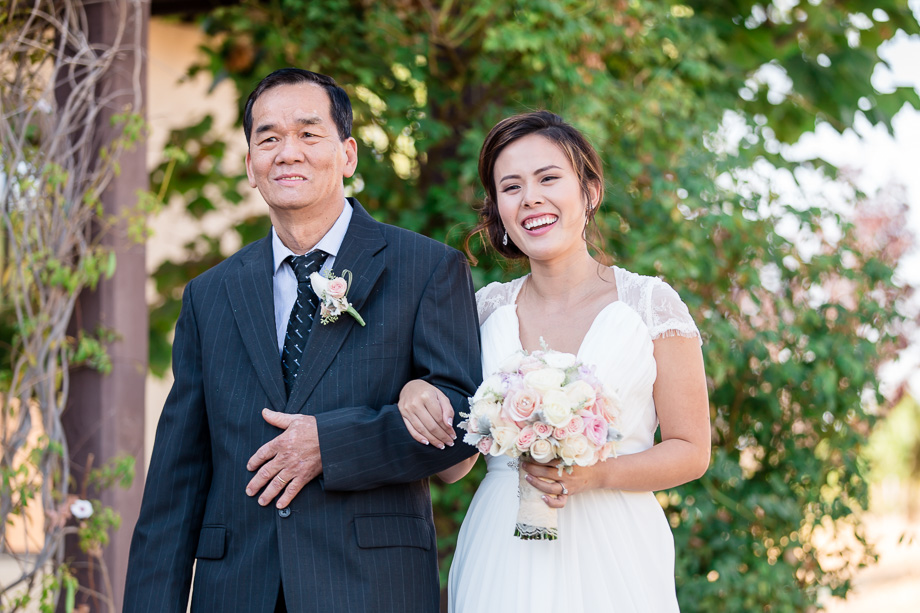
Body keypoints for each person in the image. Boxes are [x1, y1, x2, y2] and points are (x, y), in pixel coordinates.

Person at [123, 68, 481, 613]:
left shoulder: (425, 269)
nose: (287, 152)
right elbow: (177, 478)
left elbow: (462, 426)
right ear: (250, 165)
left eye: (309, 133)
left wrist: (332, 446)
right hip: (237, 589)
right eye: (268, 138)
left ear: (348, 154)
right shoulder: (209, 294)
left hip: (371, 588)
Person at [398, 111, 711, 612]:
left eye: (548, 178)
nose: (531, 198)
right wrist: (415, 395)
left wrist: (597, 475)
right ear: (498, 209)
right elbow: (455, 468)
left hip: (616, 549)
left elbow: (692, 450)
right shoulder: (479, 313)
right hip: (501, 550)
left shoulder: (650, 305)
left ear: (589, 192)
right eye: (511, 187)